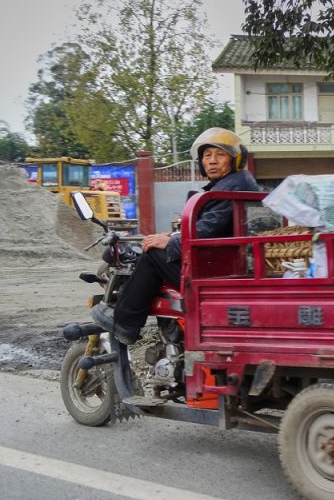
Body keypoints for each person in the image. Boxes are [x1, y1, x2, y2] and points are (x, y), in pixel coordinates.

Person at [91, 128, 261, 344]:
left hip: (215, 270)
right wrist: (173, 235)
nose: (212, 161)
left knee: (151, 255)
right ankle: (171, 327)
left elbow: (209, 228)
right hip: (225, 262)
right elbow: (211, 224)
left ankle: (125, 322)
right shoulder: (235, 184)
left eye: (220, 155)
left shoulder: (231, 187)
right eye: (207, 156)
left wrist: (171, 241)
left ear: (235, 160)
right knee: (159, 249)